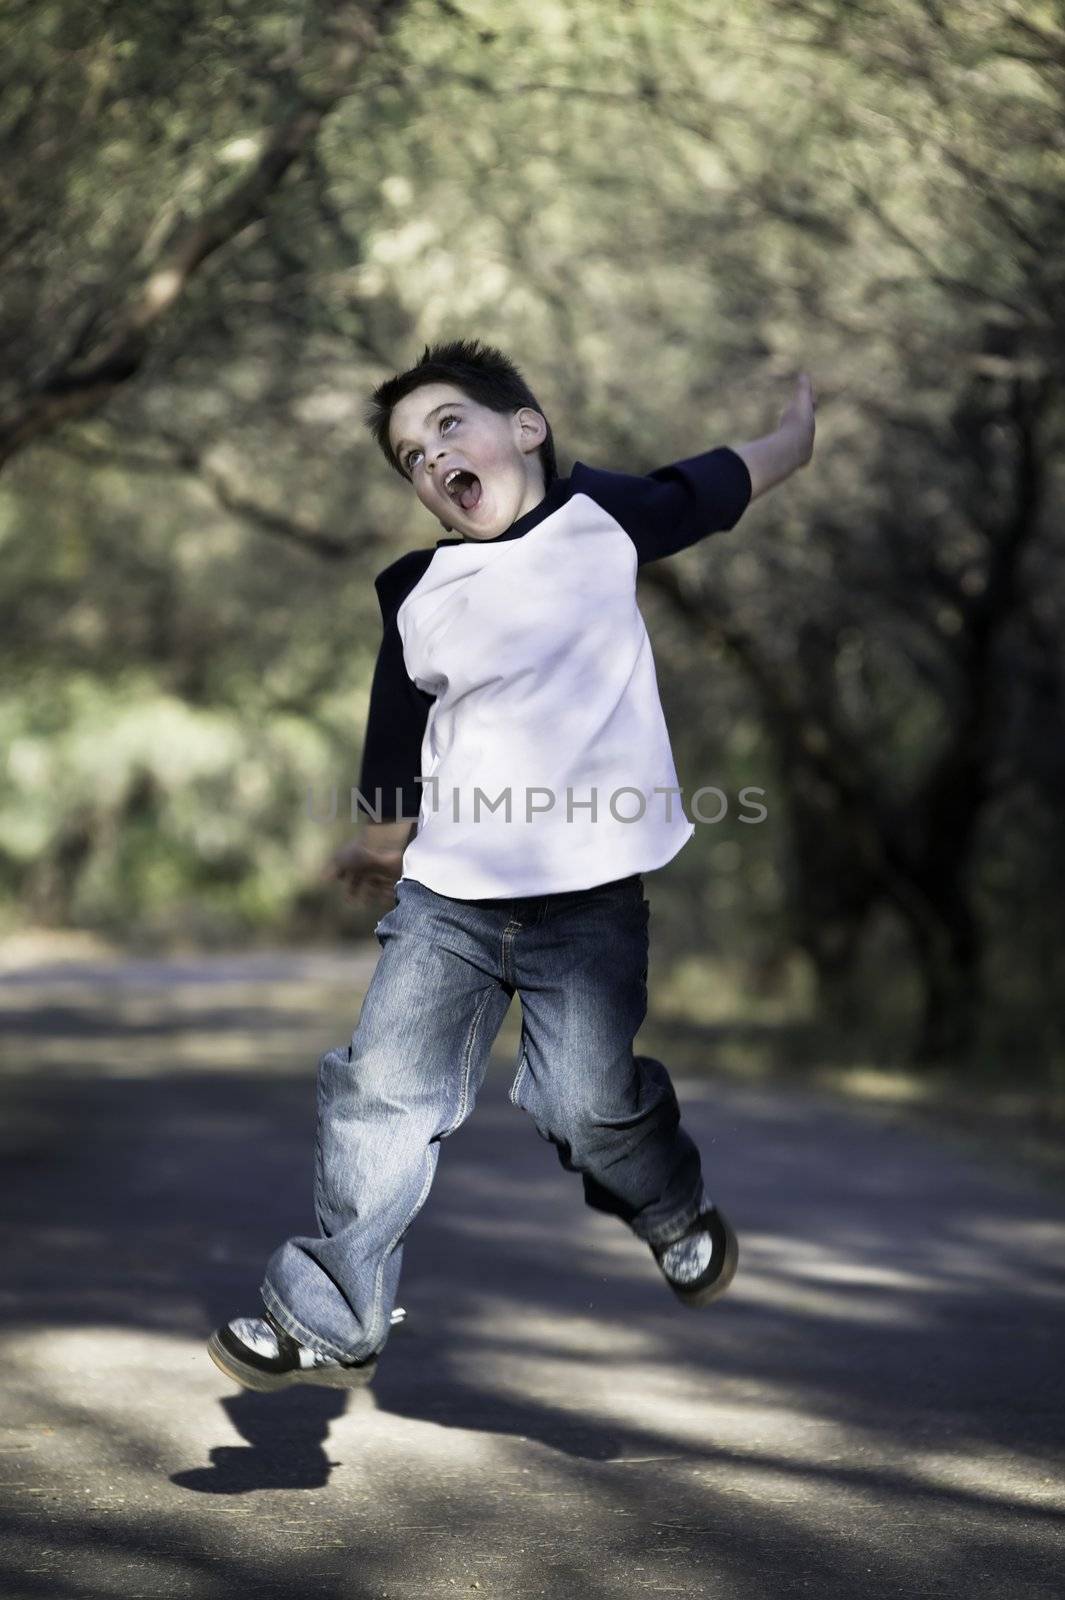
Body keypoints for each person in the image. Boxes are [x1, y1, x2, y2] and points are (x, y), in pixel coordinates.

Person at [208, 338, 816, 1392]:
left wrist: (796, 436)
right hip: (450, 899)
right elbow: (396, 740)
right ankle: (333, 1305)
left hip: (588, 902)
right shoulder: (416, 588)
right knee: (379, 1093)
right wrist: (379, 844)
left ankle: (670, 1207)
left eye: (449, 424)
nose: (431, 456)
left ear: (524, 428)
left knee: (584, 1105)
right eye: (408, 455)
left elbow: (712, 486)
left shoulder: (602, 521)